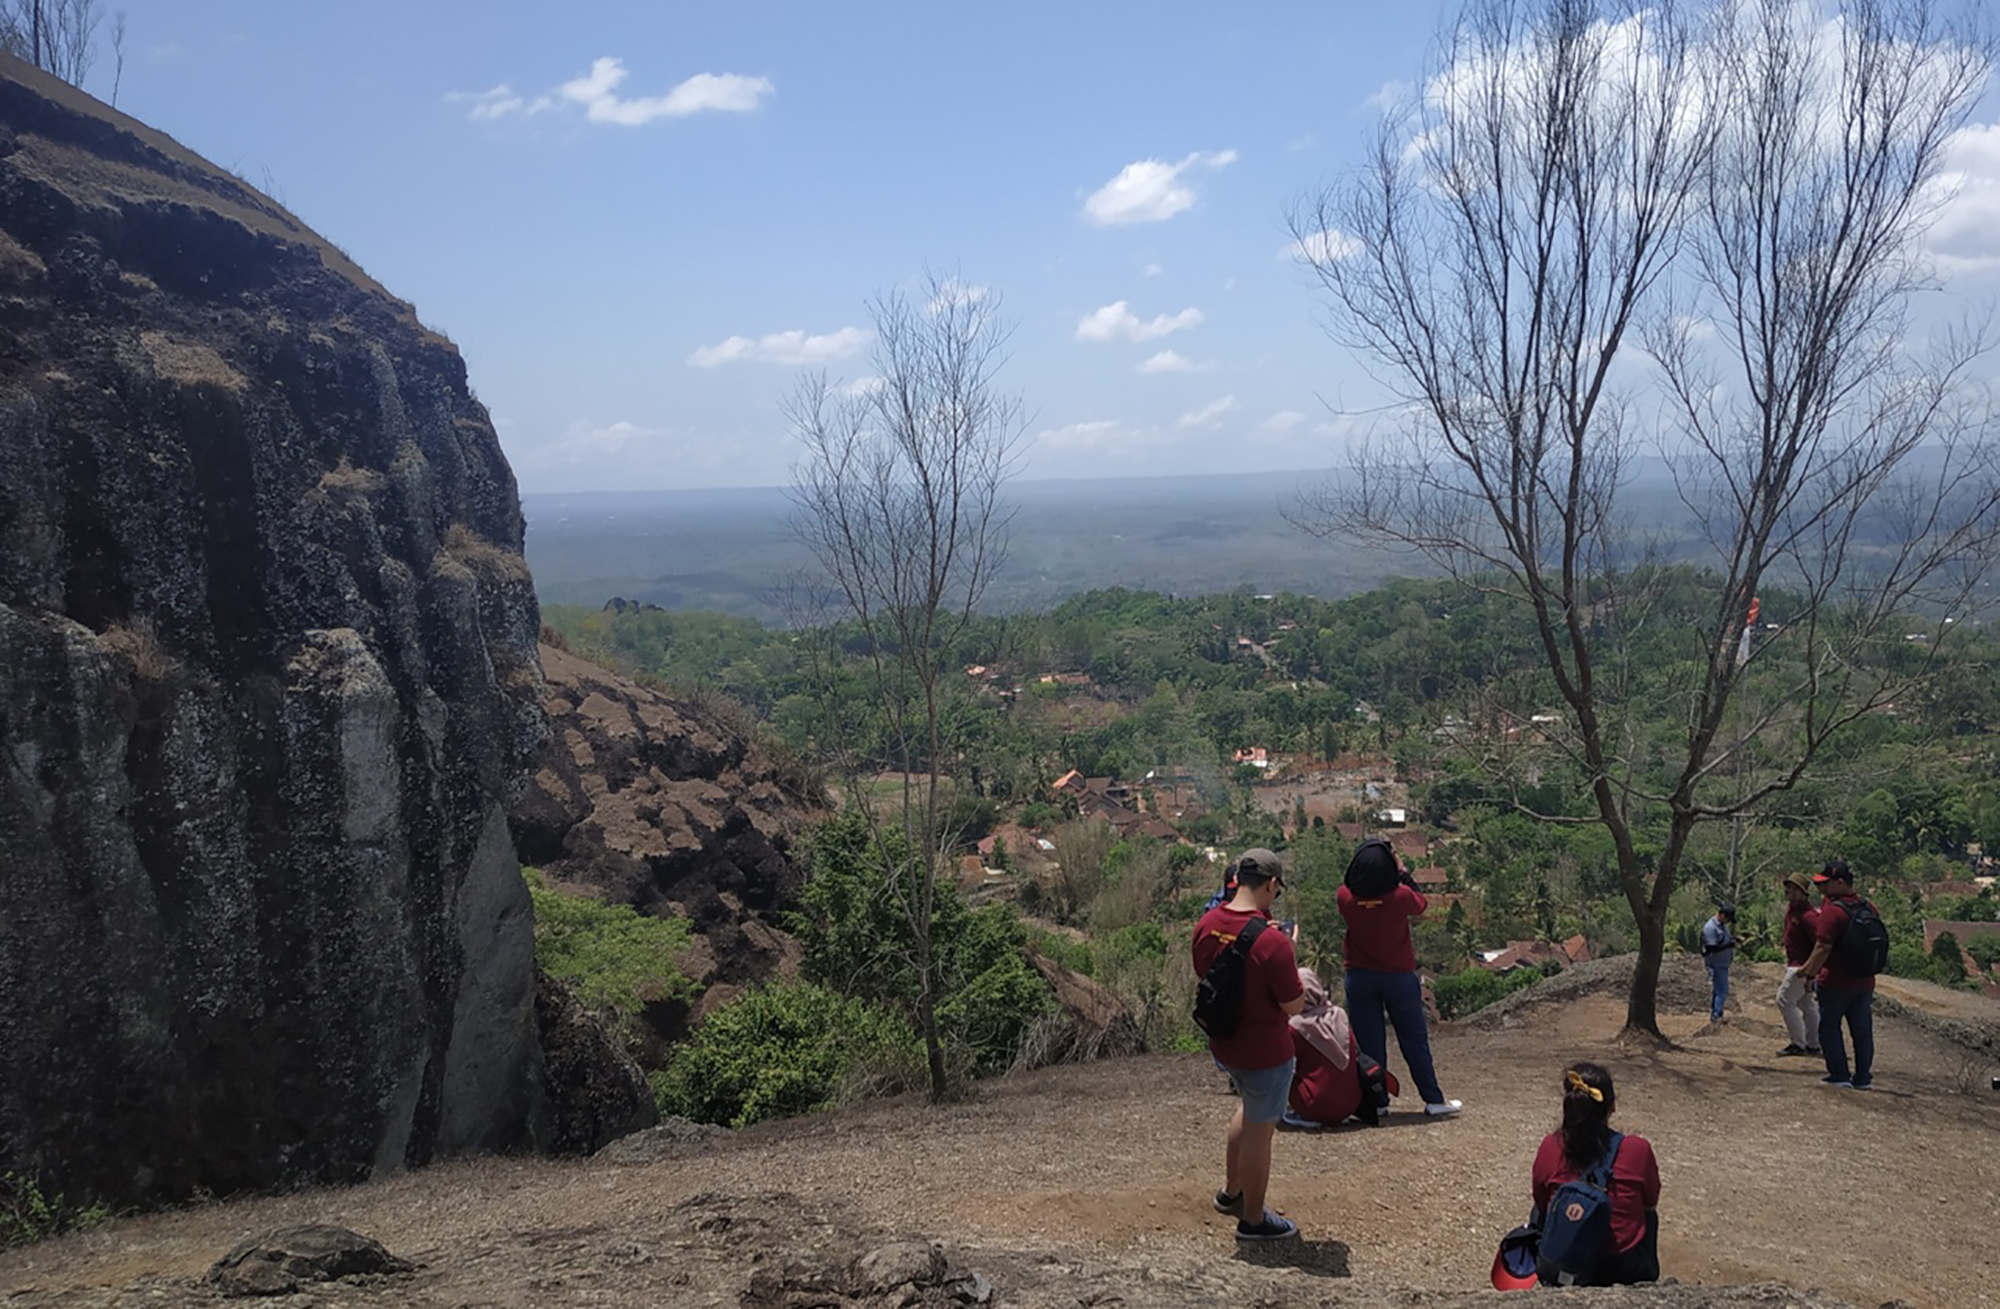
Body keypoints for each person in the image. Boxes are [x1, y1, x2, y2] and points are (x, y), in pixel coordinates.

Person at [1191, 848, 1305, 1240]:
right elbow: (1293, 1005)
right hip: (1264, 1050)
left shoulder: (1206, 924)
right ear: (1271, 885)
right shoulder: (1274, 944)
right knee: (1261, 1129)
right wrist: (1290, 952)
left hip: (1226, 1044)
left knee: (1248, 1109)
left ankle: (1231, 1191)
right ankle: (1253, 1219)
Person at [1336, 838, 1462, 1117]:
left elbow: (1354, 889)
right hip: (1398, 977)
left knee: (1369, 1044)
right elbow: (1421, 904)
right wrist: (1402, 871)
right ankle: (1433, 1099)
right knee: (1414, 1040)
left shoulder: (1344, 897)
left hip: (1359, 977)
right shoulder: (1400, 897)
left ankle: (1378, 1102)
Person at [1530, 1062, 1662, 1286]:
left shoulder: (1550, 1146)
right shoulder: (1637, 1149)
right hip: (1622, 1264)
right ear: (1612, 1107)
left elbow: (1541, 1201)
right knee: (1647, 1213)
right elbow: (1650, 1201)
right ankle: (1646, 1278)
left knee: (1540, 1211)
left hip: (1568, 1261)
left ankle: (1546, 1268)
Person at [1798, 859, 1874, 1089]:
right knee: (1862, 1030)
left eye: (1825, 884)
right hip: (1864, 980)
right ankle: (1862, 1078)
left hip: (1835, 981)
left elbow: (1822, 947)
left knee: (1829, 1027)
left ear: (1840, 882)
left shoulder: (1833, 913)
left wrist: (1809, 974)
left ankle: (1839, 1075)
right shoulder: (1868, 907)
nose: (1821, 889)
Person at [1281, 966, 1380, 1129]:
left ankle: (1302, 1112)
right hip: (1350, 1104)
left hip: (1314, 1105)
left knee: (1280, 1070)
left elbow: (1283, 1061)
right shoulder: (1339, 1015)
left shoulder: (1296, 1026)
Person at [1775, 871, 1822, 1058]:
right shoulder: (1792, 909)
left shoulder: (1809, 915)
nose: (1790, 891)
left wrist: (1811, 973)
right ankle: (1813, 1044)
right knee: (1807, 1004)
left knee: (1784, 1000)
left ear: (1804, 893)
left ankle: (1798, 1043)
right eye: (1788, 887)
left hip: (1801, 967)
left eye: (1795, 888)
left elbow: (1820, 944)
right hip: (1796, 964)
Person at [1700, 904, 1737, 1024]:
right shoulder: (1710, 928)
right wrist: (1728, 945)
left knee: (1719, 990)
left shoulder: (1722, 926)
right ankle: (1716, 1015)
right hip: (1716, 964)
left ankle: (1716, 1014)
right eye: (1727, 919)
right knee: (1722, 990)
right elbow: (1711, 948)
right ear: (1721, 915)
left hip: (1723, 964)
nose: (1728, 922)